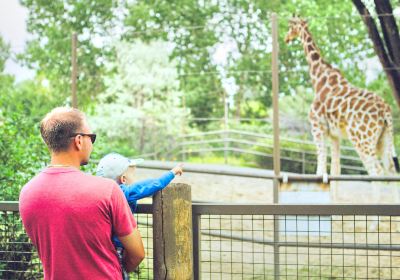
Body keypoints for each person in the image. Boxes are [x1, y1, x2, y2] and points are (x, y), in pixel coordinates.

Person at [19, 107, 145, 280]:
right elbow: (137, 253)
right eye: (91, 137)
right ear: (79, 141)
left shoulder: (27, 193)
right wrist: (120, 270)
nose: (92, 143)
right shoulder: (108, 190)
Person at [96, 152, 183, 279]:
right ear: (123, 180)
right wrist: (171, 173)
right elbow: (151, 185)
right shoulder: (123, 191)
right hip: (117, 248)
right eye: (132, 175)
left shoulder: (98, 193)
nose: (134, 179)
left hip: (101, 246)